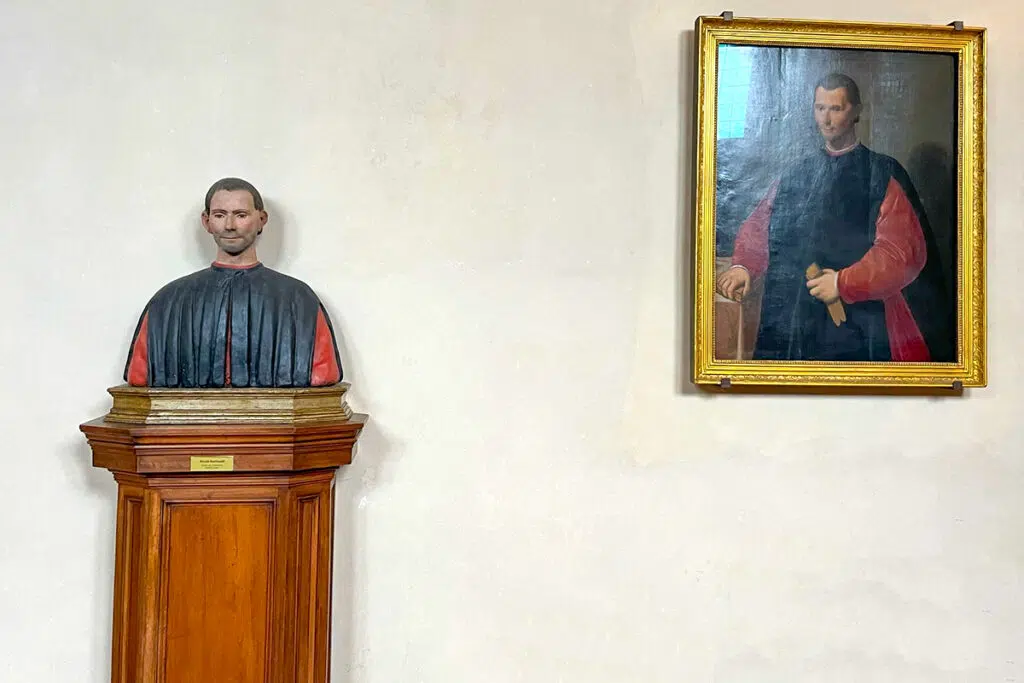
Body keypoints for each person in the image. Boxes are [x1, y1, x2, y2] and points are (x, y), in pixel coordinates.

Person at [716, 73, 954, 362]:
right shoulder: (795, 172)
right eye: (820, 108)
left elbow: (901, 252)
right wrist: (744, 265)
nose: (826, 119)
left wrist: (843, 283)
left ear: (856, 111)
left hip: (859, 321)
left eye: (836, 109)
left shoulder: (881, 172)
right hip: (792, 320)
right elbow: (761, 227)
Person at [124, 178, 343, 387]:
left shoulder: (299, 299)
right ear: (206, 221)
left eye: (241, 215)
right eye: (220, 215)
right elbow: (140, 374)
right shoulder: (168, 301)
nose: (229, 225)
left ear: (262, 220)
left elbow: (324, 373)